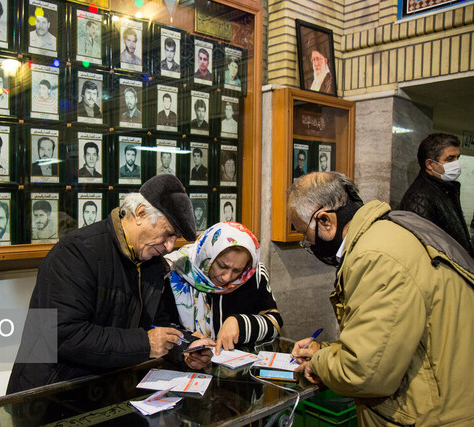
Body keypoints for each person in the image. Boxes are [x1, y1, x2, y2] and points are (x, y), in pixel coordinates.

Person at [287, 171, 474, 426]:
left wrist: (319, 363)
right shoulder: (389, 229)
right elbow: (388, 340)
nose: (307, 242)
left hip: (433, 415)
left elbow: (366, 372)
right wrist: (328, 351)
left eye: (303, 234)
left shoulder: (374, 257)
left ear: (325, 221)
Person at [8, 175, 213, 392]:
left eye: (176, 238)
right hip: (51, 393)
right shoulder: (76, 252)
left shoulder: (154, 265)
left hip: (109, 390)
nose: (170, 246)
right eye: (168, 233)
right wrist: (145, 344)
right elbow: (64, 335)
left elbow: (159, 325)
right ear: (141, 213)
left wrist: (184, 349)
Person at [165, 222, 282, 354]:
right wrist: (188, 341)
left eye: (237, 270)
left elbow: (275, 323)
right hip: (183, 367)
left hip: (237, 366)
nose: (227, 278)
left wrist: (240, 324)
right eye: (222, 266)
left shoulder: (252, 276)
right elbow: (160, 328)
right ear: (207, 255)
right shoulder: (174, 272)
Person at [399, 133, 473, 256]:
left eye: (457, 158)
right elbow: (425, 248)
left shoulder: (446, 189)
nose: (457, 164)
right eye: (450, 159)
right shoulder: (420, 196)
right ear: (430, 164)